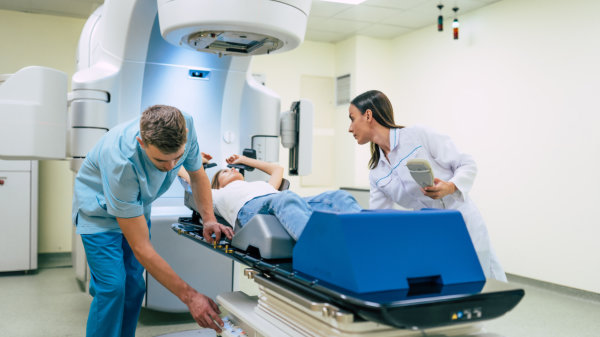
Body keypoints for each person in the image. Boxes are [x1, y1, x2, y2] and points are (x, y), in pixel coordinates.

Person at [72, 105, 234, 337]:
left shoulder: (185, 124)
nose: (170, 167)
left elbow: (197, 174)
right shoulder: (121, 162)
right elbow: (141, 248)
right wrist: (190, 297)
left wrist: (208, 219)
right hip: (98, 216)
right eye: (160, 161)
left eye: (176, 158)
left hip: (135, 209)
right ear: (141, 142)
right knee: (113, 288)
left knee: (134, 287)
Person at [347, 90, 507, 281]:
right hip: (429, 233)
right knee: (447, 289)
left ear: (368, 115)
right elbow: (379, 218)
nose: (350, 128)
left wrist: (450, 186)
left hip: (462, 222)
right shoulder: (377, 172)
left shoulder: (417, 135)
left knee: (482, 285)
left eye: (352, 118)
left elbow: (467, 164)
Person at [198, 154, 362, 241]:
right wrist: (197, 162)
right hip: (252, 210)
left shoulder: (260, 185)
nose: (232, 170)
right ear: (217, 185)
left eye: (233, 168)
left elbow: (277, 169)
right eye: (225, 172)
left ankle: (364, 237)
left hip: (278, 201)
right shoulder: (216, 194)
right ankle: (315, 249)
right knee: (286, 198)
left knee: (338, 197)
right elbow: (190, 180)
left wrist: (244, 160)